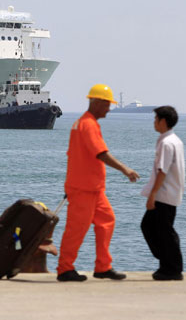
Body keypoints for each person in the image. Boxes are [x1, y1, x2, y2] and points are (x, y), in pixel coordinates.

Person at [57, 84, 140, 282]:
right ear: (96, 102)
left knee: (106, 221)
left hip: (93, 188)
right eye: (106, 104)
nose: (109, 109)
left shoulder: (85, 123)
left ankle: (103, 267)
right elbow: (101, 153)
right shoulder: (88, 125)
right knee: (76, 229)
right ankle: (65, 269)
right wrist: (125, 169)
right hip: (83, 188)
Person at [141, 106, 185, 281]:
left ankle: (172, 267)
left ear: (163, 121)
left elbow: (162, 171)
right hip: (170, 192)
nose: (154, 122)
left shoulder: (166, 143)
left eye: (156, 119)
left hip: (164, 194)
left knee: (162, 230)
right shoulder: (174, 140)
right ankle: (168, 264)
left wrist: (152, 195)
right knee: (155, 228)